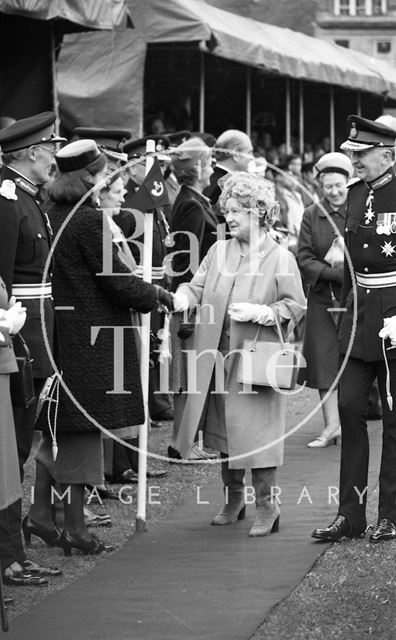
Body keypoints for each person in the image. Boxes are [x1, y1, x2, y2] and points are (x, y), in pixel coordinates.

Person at [26, 139, 172, 556]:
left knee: (62, 430)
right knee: (82, 435)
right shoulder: (87, 220)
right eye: (106, 174)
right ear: (90, 178)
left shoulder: (53, 210)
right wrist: (158, 295)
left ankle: (42, 513)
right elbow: (115, 281)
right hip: (89, 340)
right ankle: (71, 526)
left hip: (63, 334)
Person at [172, 172, 306, 536]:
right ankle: (234, 499)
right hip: (216, 357)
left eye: (237, 212)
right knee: (222, 432)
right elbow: (196, 285)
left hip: (256, 360)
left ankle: (268, 505)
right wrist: (184, 296)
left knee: (258, 436)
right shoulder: (218, 251)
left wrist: (266, 313)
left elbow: (296, 305)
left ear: (259, 213)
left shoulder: (280, 257)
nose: (228, 218)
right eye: (226, 211)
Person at [312, 115, 396, 543]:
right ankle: (351, 514)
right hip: (361, 318)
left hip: (395, 320)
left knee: (395, 420)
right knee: (349, 410)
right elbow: (350, 267)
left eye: (362, 154)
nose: (355, 161)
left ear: (389, 154)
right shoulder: (356, 194)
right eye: (354, 154)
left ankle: (391, 514)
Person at [0, 111, 66, 583]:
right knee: (14, 445)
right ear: (31, 152)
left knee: (23, 442)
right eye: (50, 151)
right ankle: (9, 555)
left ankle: (13, 549)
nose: (54, 160)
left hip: (34, 333)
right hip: (17, 335)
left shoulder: (25, 196)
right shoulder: (7, 200)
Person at [297, 152, 354, 447]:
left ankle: (350, 423)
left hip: (357, 299)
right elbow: (304, 258)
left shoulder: (359, 211)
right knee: (324, 361)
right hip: (322, 297)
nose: (333, 191)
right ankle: (331, 426)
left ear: (349, 182)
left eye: (338, 185)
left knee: (354, 360)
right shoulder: (310, 214)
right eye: (327, 186)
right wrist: (333, 274)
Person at [167, 137, 219, 460]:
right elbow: (188, 260)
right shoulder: (191, 205)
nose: (213, 167)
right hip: (191, 300)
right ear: (199, 167)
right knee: (187, 375)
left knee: (188, 375)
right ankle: (182, 444)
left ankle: (182, 442)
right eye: (210, 162)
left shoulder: (195, 200)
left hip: (193, 297)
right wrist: (192, 302)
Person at [204, 129, 254, 225]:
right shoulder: (224, 185)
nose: (252, 158)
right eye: (249, 152)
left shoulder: (211, 179)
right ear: (235, 154)